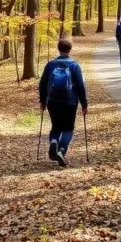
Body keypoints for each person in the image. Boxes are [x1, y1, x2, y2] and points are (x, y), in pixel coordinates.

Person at [38, 38, 89, 167]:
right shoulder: (74, 65)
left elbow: (42, 83)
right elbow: (80, 86)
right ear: (69, 50)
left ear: (59, 49)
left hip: (53, 101)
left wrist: (43, 101)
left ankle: (54, 141)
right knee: (68, 128)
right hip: (70, 101)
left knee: (56, 126)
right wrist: (84, 104)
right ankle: (61, 150)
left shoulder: (50, 64)